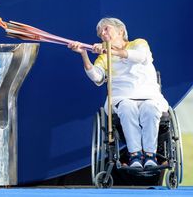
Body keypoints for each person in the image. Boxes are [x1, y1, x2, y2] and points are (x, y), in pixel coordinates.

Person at [68, 17, 169, 169]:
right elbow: (97, 76)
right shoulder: (103, 57)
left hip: (149, 96)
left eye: (106, 29)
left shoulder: (139, 44)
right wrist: (83, 54)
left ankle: (150, 156)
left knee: (150, 108)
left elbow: (141, 57)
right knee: (127, 108)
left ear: (121, 31)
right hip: (121, 98)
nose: (102, 33)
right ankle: (135, 155)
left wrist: (113, 51)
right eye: (100, 33)